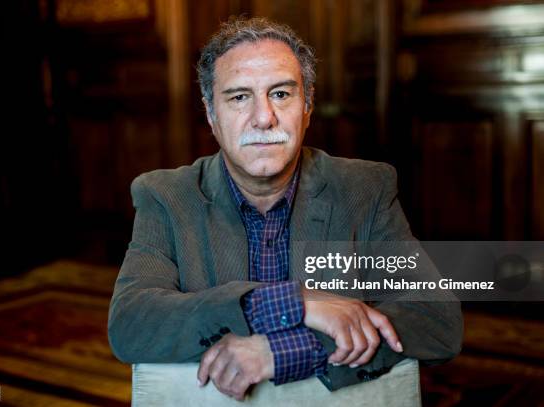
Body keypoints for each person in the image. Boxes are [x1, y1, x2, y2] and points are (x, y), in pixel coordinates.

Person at [108, 16, 462, 401]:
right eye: (239, 97)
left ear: (307, 107)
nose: (264, 118)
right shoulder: (165, 196)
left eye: (280, 94)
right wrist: (294, 302)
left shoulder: (365, 188)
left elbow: (435, 317)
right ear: (211, 115)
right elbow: (131, 324)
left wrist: (284, 350)